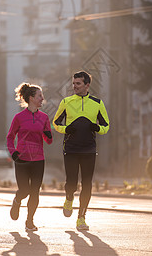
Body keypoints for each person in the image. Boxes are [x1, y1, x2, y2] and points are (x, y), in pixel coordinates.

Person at [53, 71, 109, 231]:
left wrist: (97, 127)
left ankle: (81, 218)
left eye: (78, 83)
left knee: (87, 184)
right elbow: (56, 122)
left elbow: (106, 126)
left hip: (89, 150)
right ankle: (69, 198)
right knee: (71, 182)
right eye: (73, 83)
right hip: (70, 148)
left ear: (87, 85)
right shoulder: (66, 102)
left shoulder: (97, 103)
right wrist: (66, 129)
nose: (74, 86)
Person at [7, 82, 52, 232]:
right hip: (22, 159)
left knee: (35, 192)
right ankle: (17, 200)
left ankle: (30, 221)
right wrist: (13, 152)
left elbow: (49, 141)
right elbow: (10, 137)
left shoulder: (44, 117)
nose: (42, 98)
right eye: (40, 96)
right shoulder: (19, 117)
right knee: (24, 190)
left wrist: (48, 135)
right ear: (31, 98)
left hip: (39, 159)